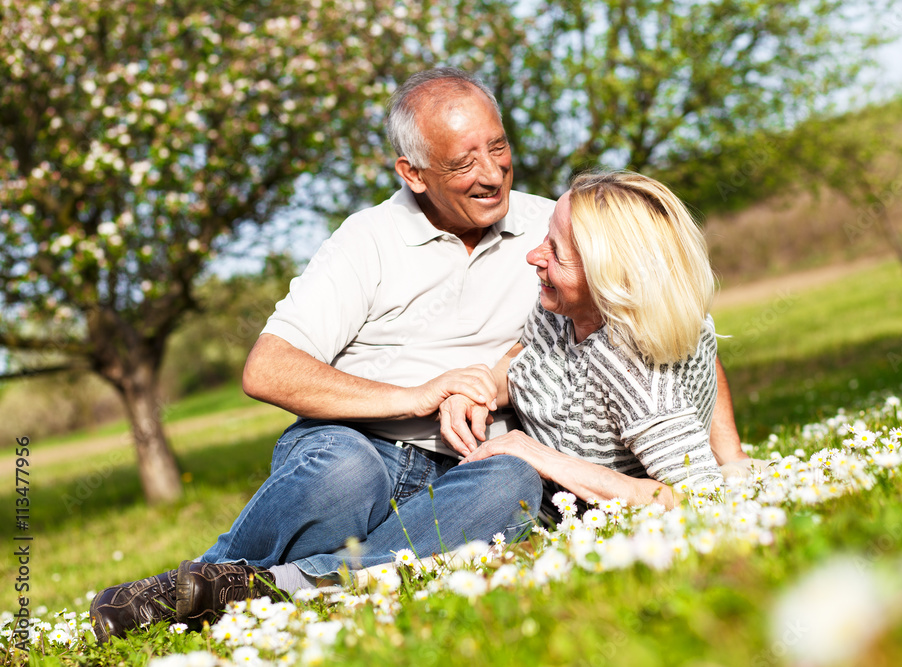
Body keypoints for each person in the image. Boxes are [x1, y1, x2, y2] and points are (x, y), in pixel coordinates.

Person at [88, 69, 746, 643]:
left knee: (517, 483)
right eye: (463, 162)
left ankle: (261, 589)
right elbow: (267, 369)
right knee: (345, 472)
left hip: (472, 466)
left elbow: (679, 319)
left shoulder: (560, 226)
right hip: (359, 446)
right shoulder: (366, 241)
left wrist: (732, 459)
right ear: (413, 172)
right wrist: (419, 395)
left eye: (499, 148)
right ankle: (197, 583)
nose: (491, 174)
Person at [441, 170, 736, 511]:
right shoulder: (561, 307)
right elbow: (526, 357)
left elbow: (703, 498)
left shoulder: (633, 375)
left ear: (606, 275)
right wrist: (478, 390)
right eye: (544, 238)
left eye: (556, 250)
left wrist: (540, 456)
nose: (533, 256)